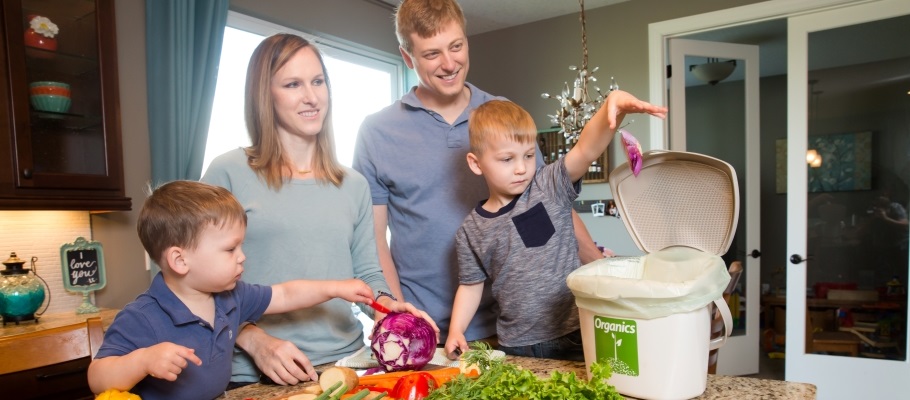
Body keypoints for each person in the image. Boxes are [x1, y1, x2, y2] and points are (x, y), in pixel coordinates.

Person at [353, 0, 612, 346]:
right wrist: (399, 321)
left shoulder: (501, 116)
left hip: (513, 328)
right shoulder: (377, 132)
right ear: (407, 56)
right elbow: (373, 241)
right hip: (427, 331)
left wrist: (598, 266)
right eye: (432, 54)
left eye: (456, 46)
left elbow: (544, 210)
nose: (449, 64)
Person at [201, 34, 436, 388]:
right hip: (255, 375)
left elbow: (367, 272)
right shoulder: (228, 172)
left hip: (346, 368)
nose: (311, 97)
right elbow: (183, 284)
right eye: (293, 84)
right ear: (265, 95)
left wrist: (390, 306)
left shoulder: (353, 184)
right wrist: (252, 339)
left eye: (318, 81)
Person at [87, 181, 376, 400]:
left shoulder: (231, 296)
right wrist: (143, 360)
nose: (242, 256)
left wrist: (337, 287)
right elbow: (97, 376)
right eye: (229, 249)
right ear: (180, 260)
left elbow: (286, 294)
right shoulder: (142, 316)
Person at [444, 97, 666, 360]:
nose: (521, 168)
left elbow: (585, 150)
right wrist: (456, 330)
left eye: (528, 156)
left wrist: (610, 108)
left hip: (575, 333)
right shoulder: (471, 231)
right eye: (507, 159)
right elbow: (470, 286)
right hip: (517, 345)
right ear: (476, 163)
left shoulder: (547, 187)